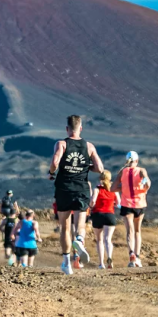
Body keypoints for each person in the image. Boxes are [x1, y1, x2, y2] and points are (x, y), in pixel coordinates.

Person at [48, 115, 104, 275]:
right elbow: (100, 168)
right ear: (81, 128)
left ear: (67, 129)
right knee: (80, 222)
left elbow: (55, 161)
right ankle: (79, 239)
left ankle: (66, 263)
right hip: (82, 188)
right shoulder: (89, 146)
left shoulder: (62, 144)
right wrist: (86, 167)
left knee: (65, 227)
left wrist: (52, 173)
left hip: (64, 189)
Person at [111, 151, 151, 268]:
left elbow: (113, 188)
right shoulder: (141, 170)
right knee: (138, 231)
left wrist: (124, 188)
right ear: (137, 161)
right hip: (139, 204)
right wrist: (144, 186)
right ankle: (137, 257)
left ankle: (131, 254)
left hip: (126, 205)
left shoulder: (122, 172)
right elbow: (148, 183)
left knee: (130, 231)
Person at [90, 170, 120, 269]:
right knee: (108, 239)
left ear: (100, 178)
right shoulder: (113, 189)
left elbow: (93, 201)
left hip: (98, 215)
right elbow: (118, 203)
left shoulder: (97, 189)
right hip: (109, 215)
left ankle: (101, 263)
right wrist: (112, 204)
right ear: (110, 178)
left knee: (99, 240)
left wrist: (91, 206)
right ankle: (110, 257)